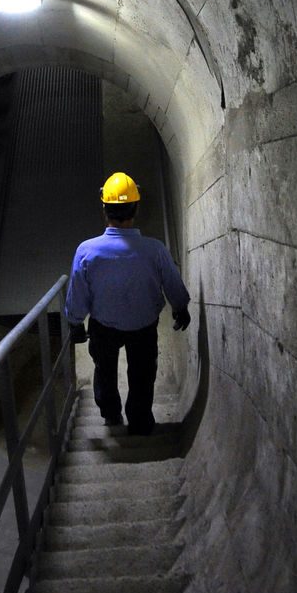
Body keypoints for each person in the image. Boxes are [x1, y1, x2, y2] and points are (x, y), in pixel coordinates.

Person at [64, 171, 191, 435]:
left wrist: (75, 321)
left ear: (104, 210)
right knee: (143, 374)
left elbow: (78, 292)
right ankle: (140, 419)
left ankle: (111, 414)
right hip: (143, 324)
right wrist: (180, 307)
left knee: (105, 370)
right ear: (135, 207)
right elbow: (172, 282)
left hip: (103, 325)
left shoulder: (87, 251)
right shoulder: (155, 249)